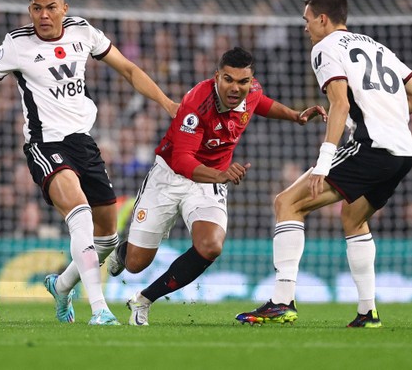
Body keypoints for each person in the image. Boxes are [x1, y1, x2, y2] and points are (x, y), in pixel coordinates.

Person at [0, 0, 177, 325]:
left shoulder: (83, 32)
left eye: (51, 7)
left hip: (83, 143)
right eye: (37, 8)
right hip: (45, 145)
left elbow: (129, 69)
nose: (44, 14)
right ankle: (100, 310)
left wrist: (166, 102)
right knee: (79, 213)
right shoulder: (16, 44)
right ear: (30, 11)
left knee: (107, 237)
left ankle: (61, 284)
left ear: (64, 9)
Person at [235, 0, 412, 328]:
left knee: (286, 203)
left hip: (372, 147)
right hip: (403, 151)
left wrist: (323, 165)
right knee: (354, 219)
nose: (305, 28)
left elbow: (338, 104)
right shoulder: (375, 46)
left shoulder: (324, 48)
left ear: (323, 19)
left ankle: (281, 301)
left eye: (307, 20)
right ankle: (368, 312)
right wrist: (384, 115)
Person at [106, 47, 327, 326]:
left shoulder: (251, 91)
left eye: (243, 82)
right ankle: (123, 251)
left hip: (208, 182)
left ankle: (143, 300)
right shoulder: (196, 104)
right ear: (216, 77)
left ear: (251, 80)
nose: (236, 88)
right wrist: (219, 175)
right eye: (228, 80)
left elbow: (262, 103)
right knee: (136, 263)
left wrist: (294, 115)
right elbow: (183, 160)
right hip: (171, 176)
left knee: (210, 246)